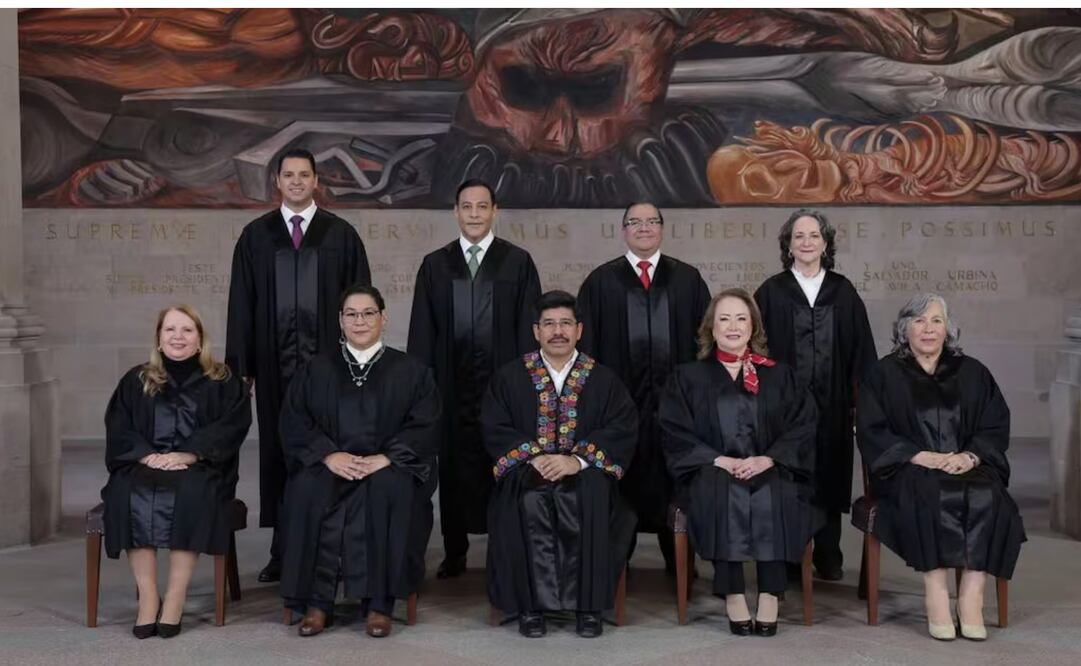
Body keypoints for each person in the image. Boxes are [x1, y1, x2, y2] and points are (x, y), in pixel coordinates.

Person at [226, 148, 371, 582]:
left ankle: (335, 543)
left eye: (303, 175)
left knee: (331, 449)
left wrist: (357, 360)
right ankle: (282, 549)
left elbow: (360, 304)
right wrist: (242, 366)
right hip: (273, 369)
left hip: (329, 369)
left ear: (315, 180)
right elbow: (241, 306)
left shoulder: (340, 235)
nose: (295, 182)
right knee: (278, 453)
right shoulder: (256, 236)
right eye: (287, 175)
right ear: (277, 181)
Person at [856, 293, 1025, 641]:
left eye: (936, 321)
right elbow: (872, 429)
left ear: (948, 329)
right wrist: (918, 456)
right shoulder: (884, 373)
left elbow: (995, 425)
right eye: (918, 321)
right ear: (905, 330)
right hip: (908, 469)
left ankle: (971, 596)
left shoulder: (973, 372)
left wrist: (971, 456)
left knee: (988, 493)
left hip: (967, 464)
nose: (928, 329)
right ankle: (936, 593)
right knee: (931, 491)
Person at [278, 285, 440, 638]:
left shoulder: (412, 371)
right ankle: (317, 603)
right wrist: (328, 455)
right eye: (351, 314)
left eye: (368, 313)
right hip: (330, 464)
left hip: (387, 466)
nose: (360, 321)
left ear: (383, 318)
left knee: (390, 490)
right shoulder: (316, 369)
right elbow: (294, 421)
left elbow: (425, 425)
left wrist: (388, 457)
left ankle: (380, 605)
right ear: (340, 320)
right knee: (308, 489)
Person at [659, 289, 818, 636]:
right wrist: (720, 461)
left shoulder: (780, 376)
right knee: (721, 488)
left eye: (741, 318)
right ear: (711, 328)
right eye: (724, 319)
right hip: (712, 469)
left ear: (754, 327)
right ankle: (732, 592)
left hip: (769, 467)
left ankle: (770, 593)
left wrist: (768, 459)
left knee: (775, 489)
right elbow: (675, 432)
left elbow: (802, 427)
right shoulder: (688, 378)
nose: (733, 326)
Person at [482, 290, 638, 638]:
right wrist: (535, 457)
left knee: (593, 496)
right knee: (529, 500)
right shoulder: (510, 377)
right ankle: (531, 606)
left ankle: (588, 606)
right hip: (528, 471)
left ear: (579, 330)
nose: (557, 331)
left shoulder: (602, 378)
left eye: (565, 323)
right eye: (549, 324)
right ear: (536, 331)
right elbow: (495, 426)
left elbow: (621, 427)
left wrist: (578, 461)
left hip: (585, 472)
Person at [408, 179, 542, 578]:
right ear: (456, 212)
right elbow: (423, 330)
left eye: (482, 207)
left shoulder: (517, 262)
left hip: (502, 389)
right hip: (450, 386)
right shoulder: (436, 264)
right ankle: (455, 550)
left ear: (494, 211)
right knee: (452, 468)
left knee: (504, 464)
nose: (474, 214)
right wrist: (422, 387)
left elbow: (527, 328)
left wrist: (524, 386)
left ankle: (505, 547)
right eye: (467, 206)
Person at [102, 305, 252, 639]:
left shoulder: (223, 381)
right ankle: (148, 597)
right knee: (127, 490)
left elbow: (230, 427)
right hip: (146, 465)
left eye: (187, 330)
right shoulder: (137, 379)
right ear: (158, 338)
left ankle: (175, 596)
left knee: (192, 492)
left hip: (201, 466)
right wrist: (145, 456)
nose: (178, 337)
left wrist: (188, 454)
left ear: (200, 340)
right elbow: (119, 426)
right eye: (170, 330)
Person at [577, 202, 710, 571]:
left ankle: (680, 559)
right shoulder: (601, 282)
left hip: (676, 408)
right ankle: (619, 558)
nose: (644, 228)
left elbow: (706, 346)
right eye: (635, 222)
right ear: (623, 231)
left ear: (662, 229)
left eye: (652, 221)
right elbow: (586, 353)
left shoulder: (688, 280)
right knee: (622, 478)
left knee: (675, 474)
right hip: (621, 409)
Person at [753, 209, 877, 580]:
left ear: (826, 244)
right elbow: (756, 350)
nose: (806, 242)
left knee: (829, 474)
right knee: (789, 475)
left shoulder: (843, 291)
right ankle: (790, 555)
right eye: (798, 236)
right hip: (784, 409)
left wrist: (862, 407)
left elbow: (861, 353)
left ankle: (828, 551)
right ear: (788, 246)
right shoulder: (772, 291)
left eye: (813, 236)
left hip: (834, 406)